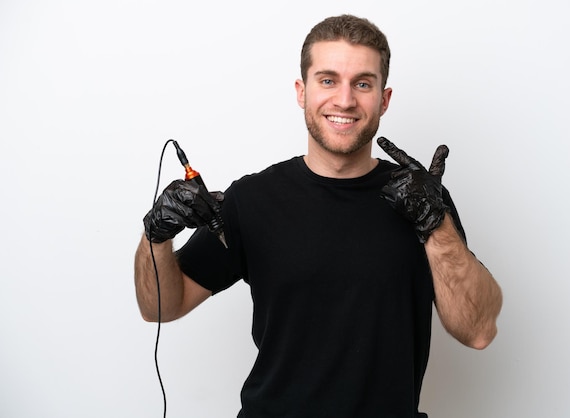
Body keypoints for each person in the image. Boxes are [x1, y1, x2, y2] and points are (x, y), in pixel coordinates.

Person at [134, 14, 502, 418]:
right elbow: (160, 308)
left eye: (363, 83)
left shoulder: (422, 198)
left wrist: (435, 223)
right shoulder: (253, 199)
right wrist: (156, 235)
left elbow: (479, 330)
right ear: (302, 91)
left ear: (384, 98)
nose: (344, 100)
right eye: (328, 80)